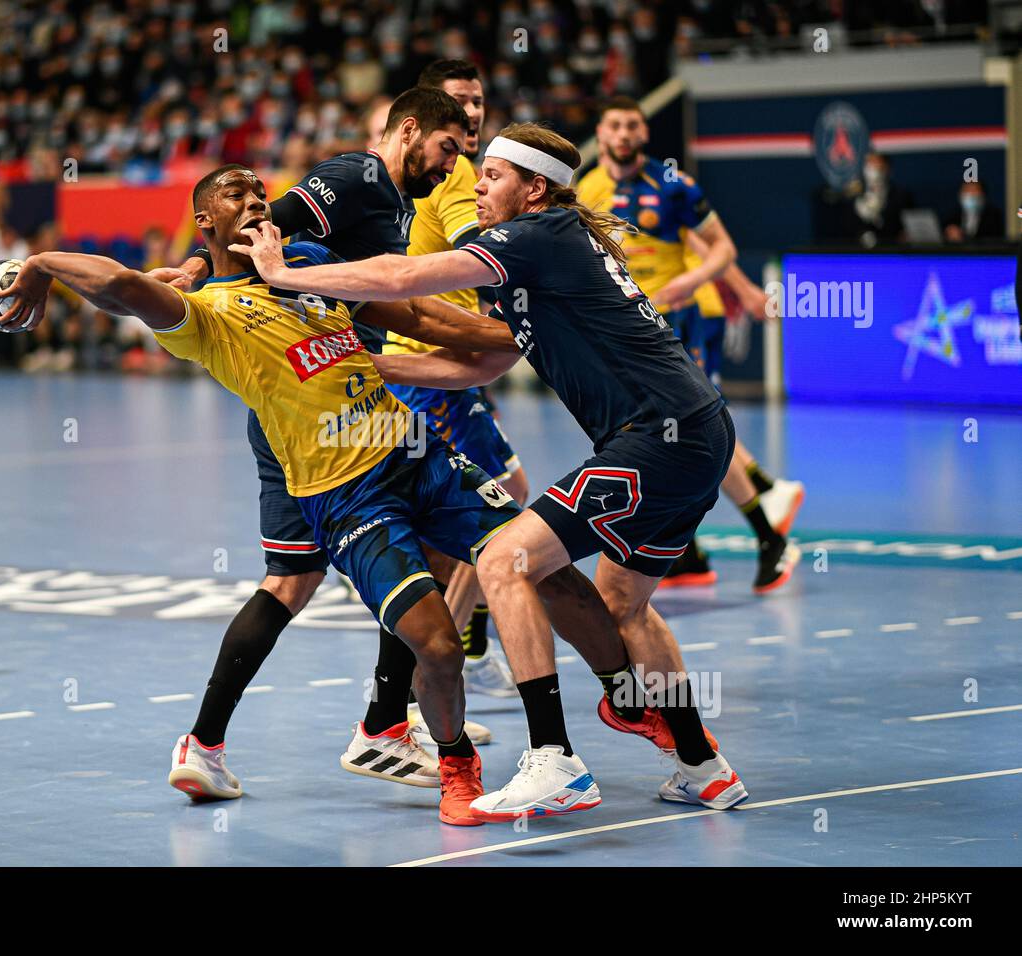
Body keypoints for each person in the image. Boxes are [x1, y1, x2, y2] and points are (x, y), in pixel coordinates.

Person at [0, 163, 627, 825]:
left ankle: (629, 698)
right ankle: (453, 762)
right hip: (347, 501)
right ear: (205, 221)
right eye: (237, 195)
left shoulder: (307, 262)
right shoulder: (204, 315)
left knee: (545, 567)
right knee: (433, 646)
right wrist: (41, 263)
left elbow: (410, 310)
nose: (258, 202)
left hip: (420, 458)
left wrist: (527, 333)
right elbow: (122, 285)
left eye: (262, 194)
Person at [231, 122, 749, 818]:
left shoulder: (535, 236)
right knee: (623, 604)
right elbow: (483, 363)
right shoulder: (555, 247)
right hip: (699, 433)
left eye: (494, 175)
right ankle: (702, 765)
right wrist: (364, 365)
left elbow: (404, 275)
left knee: (505, 559)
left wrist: (285, 273)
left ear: (534, 188)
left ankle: (554, 759)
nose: (477, 183)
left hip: (656, 440)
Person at [165, 87, 498, 791]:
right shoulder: (359, 177)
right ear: (409, 130)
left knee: (298, 579)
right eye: (447, 145)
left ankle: (218, 742)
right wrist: (196, 269)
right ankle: (379, 723)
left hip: (326, 396)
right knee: (366, 557)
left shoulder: (398, 200)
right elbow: (255, 231)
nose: (452, 164)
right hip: (320, 407)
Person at [579, 96, 798, 592]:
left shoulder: (673, 184)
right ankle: (693, 552)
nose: (623, 134)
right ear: (601, 131)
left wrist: (698, 283)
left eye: (633, 125)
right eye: (614, 125)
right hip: (622, 329)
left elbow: (718, 246)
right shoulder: (589, 188)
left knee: (694, 432)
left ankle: (766, 535)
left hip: (676, 322)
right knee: (651, 437)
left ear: (644, 133)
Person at [388, 59, 532, 698]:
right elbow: (482, 252)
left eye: (477, 101)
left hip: (450, 362)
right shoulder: (460, 175)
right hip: (432, 366)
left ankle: (448, 661)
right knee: (488, 509)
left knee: (501, 494)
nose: (471, 114)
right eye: (458, 104)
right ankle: (444, 669)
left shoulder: (438, 169)